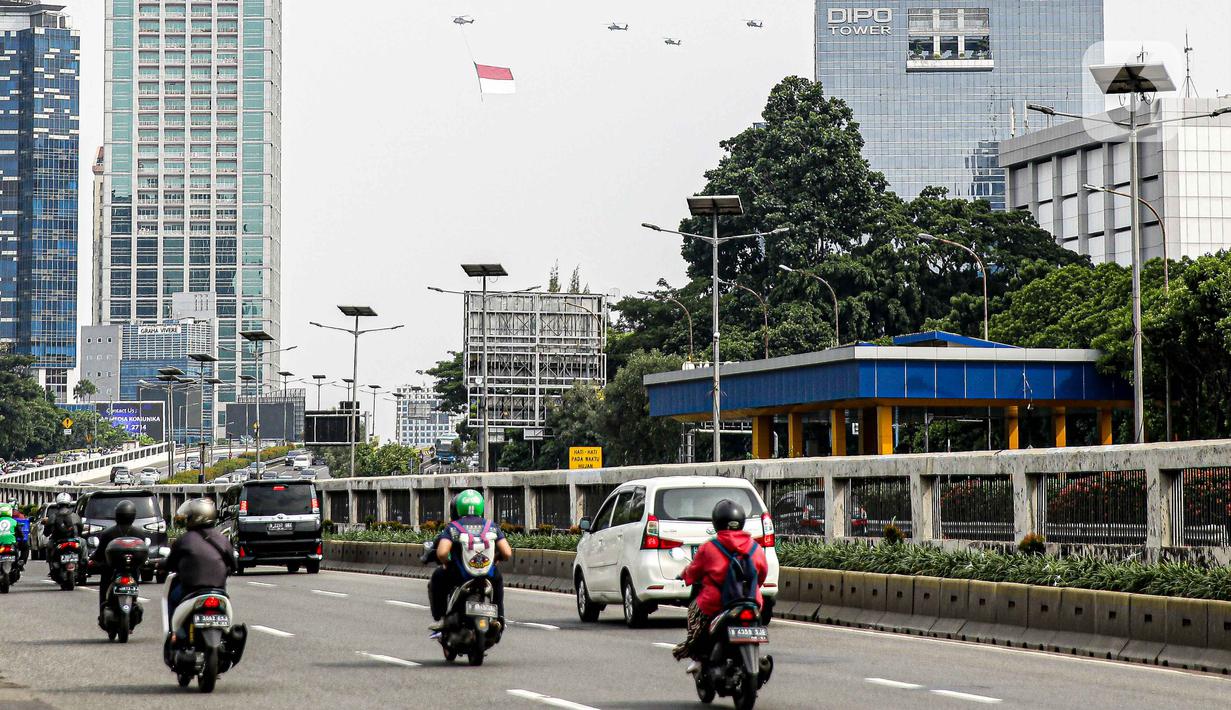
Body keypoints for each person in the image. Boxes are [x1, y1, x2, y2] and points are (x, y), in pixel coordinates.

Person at [673, 499, 769, 674]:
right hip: (751, 601)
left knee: (693, 610)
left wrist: (684, 575)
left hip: (717, 604)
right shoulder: (755, 548)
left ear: (716, 522)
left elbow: (694, 571)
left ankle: (698, 657)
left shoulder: (709, 547)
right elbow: (762, 575)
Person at [428, 489, 512, 636]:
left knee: (437, 577)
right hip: (487, 574)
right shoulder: (491, 526)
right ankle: (499, 617)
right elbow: (506, 553)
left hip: (460, 575)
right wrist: (496, 560)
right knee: (497, 581)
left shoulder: (453, 528)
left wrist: (447, 563)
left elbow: (441, 553)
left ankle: (441, 617)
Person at [164, 498, 234, 615]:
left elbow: (170, 564)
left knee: (171, 597)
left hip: (190, 590)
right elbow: (233, 565)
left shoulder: (184, 540)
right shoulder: (222, 539)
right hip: (219, 591)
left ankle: (173, 631)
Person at [87, 500, 142, 615]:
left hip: (112, 571)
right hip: (132, 572)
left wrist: (91, 559)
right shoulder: (139, 533)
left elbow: (99, 553)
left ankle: (103, 611)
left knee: (104, 588)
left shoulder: (108, 533)